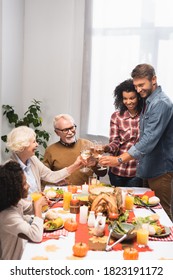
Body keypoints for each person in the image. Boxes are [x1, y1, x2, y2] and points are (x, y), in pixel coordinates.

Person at [99, 64, 173, 220]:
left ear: (154, 80)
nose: (139, 90)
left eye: (141, 85)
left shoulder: (161, 103)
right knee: (146, 213)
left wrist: (119, 159)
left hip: (161, 170)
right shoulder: (149, 101)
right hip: (148, 168)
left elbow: (148, 140)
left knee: (162, 214)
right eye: (136, 86)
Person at [6, 126, 84, 199]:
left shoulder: (33, 159)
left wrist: (75, 165)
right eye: (34, 142)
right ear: (23, 145)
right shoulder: (9, 169)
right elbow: (15, 203)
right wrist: (37, 204)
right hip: (24, 212)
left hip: (38, 207)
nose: (37, 144)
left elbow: (50, 176)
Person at [0, 160, 48, 260]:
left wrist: (39, 202)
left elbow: (30, 207)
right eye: (25, 183)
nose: (28, 186)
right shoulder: (7, 216)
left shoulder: (15, 202)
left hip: (24, 250)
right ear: (15, 189)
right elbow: (36, 236)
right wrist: (38, 206)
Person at [42, 114, 106, 186]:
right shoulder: (51, 150)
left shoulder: (88, 145)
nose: (70, 132)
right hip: (63, 193)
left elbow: (103, 173)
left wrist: (95, 164)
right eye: (65, 130)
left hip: (85, 193)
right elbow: (44, 178)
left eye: (72, 128)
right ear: (57, 133)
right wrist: (56, 183)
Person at [104, 79, 143, 187]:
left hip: (136, 172)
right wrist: (106, 148)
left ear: (139, 97)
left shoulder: (146, 115)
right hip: (117, 171)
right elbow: (115, 143)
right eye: (125, 98)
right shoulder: (116, 116)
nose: (128, 102)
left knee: (133, 202)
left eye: (132, 98)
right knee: (118, 202)